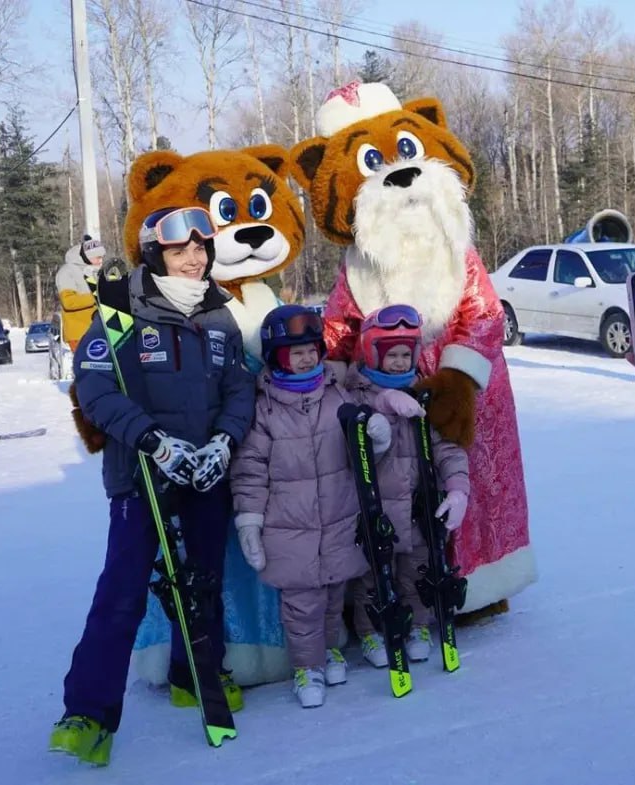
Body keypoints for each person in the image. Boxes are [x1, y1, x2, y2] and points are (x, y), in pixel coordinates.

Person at [49, 206, 256, 766]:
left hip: (203, 472)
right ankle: (88, 712)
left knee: (204, 579)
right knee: (122, 591)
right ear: (154, 254)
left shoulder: (218, 314)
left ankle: (194, 676)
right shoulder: (120, 308)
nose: (194, 259)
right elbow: (94, 388)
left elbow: (238, 389)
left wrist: (223, 444)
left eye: (200, 248)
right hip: (142, 474)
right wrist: (153, 441)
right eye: (179, 250)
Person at [228, 304, 389, 709]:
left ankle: (331, 650)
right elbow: (249, 470)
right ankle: (307, 667)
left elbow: (363, 449)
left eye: (311, 350)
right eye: (294, 352)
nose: (306, 358)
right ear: (277, 357)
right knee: (302, 605)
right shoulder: (263, 409)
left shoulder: (337, 395)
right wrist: (250, 521)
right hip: (289, 528)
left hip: (338, 520)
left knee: (335, 596)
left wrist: (376, 436)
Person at [344, 305, 470, 664]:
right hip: (372, 510)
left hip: (417, 510)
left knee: (417, 571)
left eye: (405, 354)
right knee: (371, 578)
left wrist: (458, 488)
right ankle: (370, 633)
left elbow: (447, 447)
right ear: (372, 354)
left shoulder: (424, 394)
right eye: (391, 355)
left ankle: (416, 626)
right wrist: (381, 408)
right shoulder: (355, 395)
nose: (399, 363)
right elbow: (347, 445)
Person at [55, 235, 106, 350]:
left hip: (101, 330)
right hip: (79, 333)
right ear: (87, 257)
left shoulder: (96, 271)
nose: (101, 261)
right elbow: (69, 302)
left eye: (102, 257)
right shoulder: (67, 272)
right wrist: (96, 296)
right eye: (98, 257)